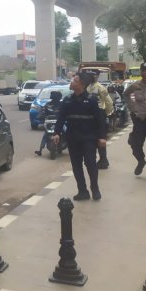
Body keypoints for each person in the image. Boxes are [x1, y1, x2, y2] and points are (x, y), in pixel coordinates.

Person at [52, 73, 107, 201]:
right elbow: (60, 118)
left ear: (81, 84)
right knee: (76, 166)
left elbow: (100, 120)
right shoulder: (67, 100)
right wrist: (56, 133)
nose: (71, 82)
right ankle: (82, 191)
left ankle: (95, 188)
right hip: (73, 139)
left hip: (89, 138)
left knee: (90, 163)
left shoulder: (92, 100)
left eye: (74, 81)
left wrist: (102, 137)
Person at [86, 71, 114, 169]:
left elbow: (109, 102)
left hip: (99, 113)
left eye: (93, 76)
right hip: (89, 115)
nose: (92, 77)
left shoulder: (100, 88)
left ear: (96, 77)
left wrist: (105, 113)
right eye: (90, 76)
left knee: (100, 138)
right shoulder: (87, 87)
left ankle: (103, 160)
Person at [34, 90, 63, 156]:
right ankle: (40, 150)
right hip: (50, 122)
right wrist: (40, 117)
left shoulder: (62, 104)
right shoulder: (48, 104)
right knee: (46, 134)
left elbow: (66, 112)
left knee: (67, 131)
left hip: (60, 122)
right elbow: (42, 112)